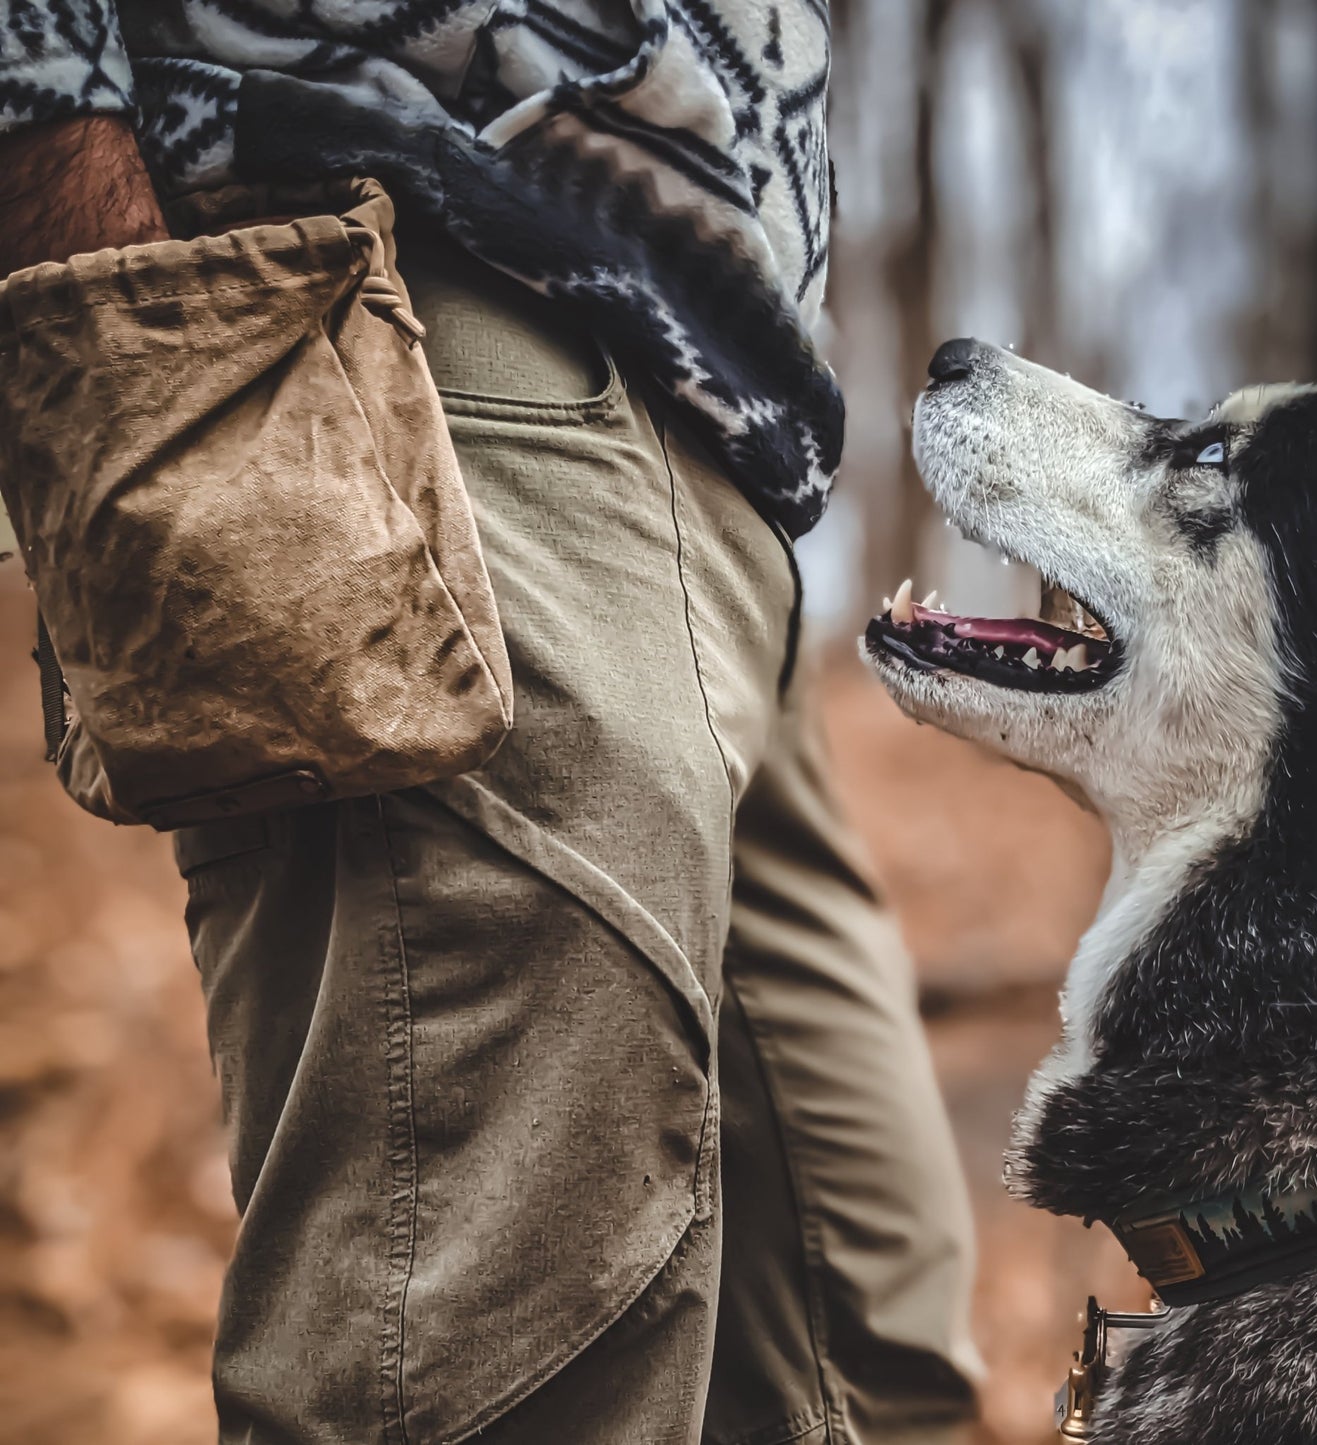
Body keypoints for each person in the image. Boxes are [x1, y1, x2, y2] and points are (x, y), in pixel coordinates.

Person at [0, 6, 980, 1442]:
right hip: (415, 333)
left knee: (873, 1371)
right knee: (495, 1374)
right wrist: (107, 278)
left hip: (735, 439)